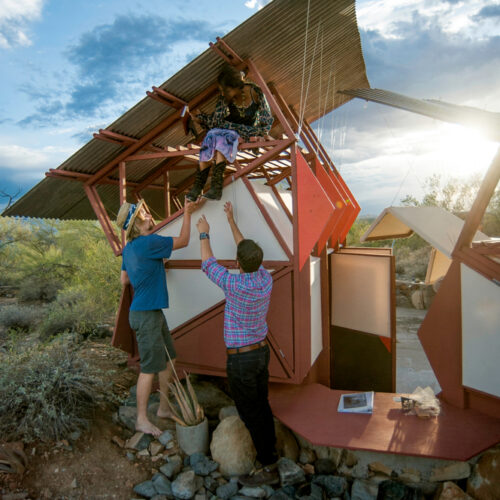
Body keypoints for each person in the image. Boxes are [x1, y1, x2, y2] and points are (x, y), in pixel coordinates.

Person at [196, 202, 279, 486]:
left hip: (242, 360)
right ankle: (270, 454)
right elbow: (246, 251)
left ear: (239, 264)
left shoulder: (235, 284)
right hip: (260, 354)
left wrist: (204, 233)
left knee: (250, 411)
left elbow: (207, 264)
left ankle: (268, 463)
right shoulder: (265, 279)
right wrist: (231, 220)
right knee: (261, 405)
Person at [116, 198, 198, 437]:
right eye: (144, 215)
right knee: (149, 368)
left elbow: (124, 279)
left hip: (148, 312)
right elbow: (183, 241)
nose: (150, 216)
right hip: (146, 315)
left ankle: (162, 408)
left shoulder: (130, 249)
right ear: (137, 225)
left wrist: (149, 268)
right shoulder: (149, 243)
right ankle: (141, 419)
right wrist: (188, 213)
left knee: (168, 359)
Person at [186, 64, 274, 202]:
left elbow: (266, 120)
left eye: (225, 90)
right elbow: (216, 120)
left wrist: (263, 134)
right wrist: (200, 118)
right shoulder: (225, 97)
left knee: (222, 137)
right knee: (211, 135)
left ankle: (216, 186)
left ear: (234, 85)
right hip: (227, 129)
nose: (222, 93)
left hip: (247, 131)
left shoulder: (255, 92)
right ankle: (198, 186)